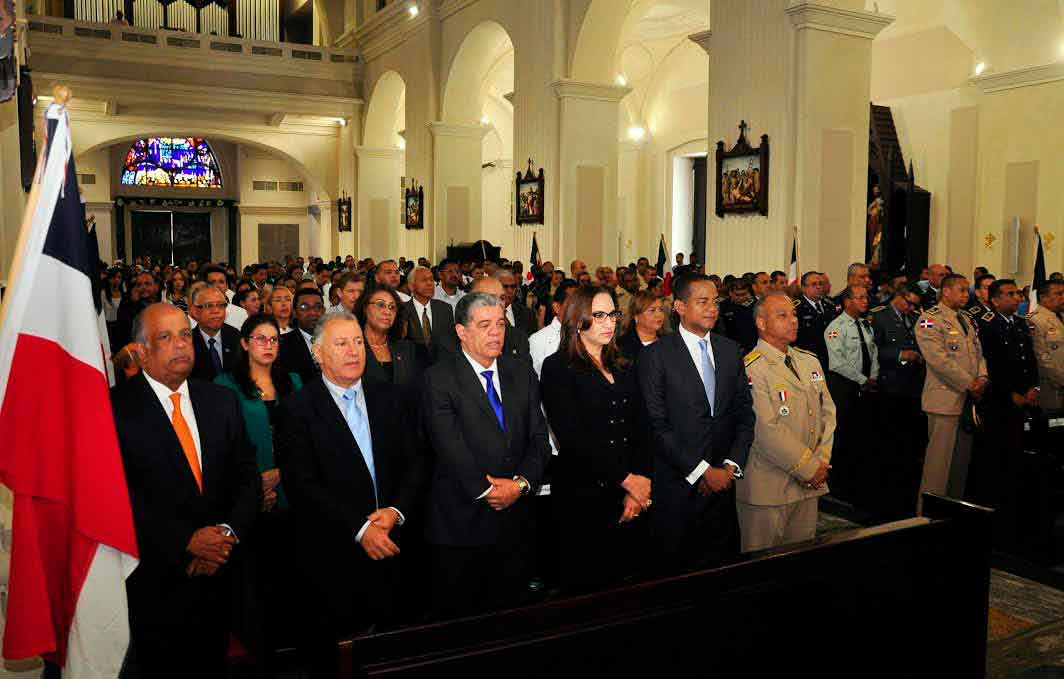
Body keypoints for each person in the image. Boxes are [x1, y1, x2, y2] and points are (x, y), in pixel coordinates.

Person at [112, 304, 259, 678]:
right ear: (141, 351)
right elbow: (118, 497)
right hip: (154, 583)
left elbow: (247, 478)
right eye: (166, 337)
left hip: (220, 577)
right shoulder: (114, 409)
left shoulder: (220, 401)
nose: (181, 345)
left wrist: (224, 536)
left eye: (184, 334)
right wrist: (185, 542)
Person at [277, 312, 423, 678]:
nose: (353, 351)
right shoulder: (297, 409)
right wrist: (361, 529)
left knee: (392, 653)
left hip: (394, 546)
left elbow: (416, 463)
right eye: (341, 344)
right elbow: (302, 485)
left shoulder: (389, 396)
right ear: (318, 353)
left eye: (358, 341)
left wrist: (395, 512)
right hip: (334, 558)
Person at [420, 292, 550, 619]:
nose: (496, 332)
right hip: (462, 525)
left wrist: (519, 485)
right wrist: (492, 491)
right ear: (461, 332)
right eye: (484, 325)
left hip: (516, 522)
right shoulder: (438, 379)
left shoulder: (521, 371)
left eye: (500, 324)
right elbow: (450, 448)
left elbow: (539, 440)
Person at [637, 273, 755, 571]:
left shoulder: (730, 350)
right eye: (702, 302)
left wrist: (729, 466)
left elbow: (744, 414)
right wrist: (702, 470)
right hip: (677, 487)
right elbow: (656, 424)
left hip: (723, 489)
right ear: (678, 306)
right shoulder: (656, 356)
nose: (712, 308)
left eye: (715, 301)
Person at [540, 287, 652, 591]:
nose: (609, 322)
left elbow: (642, 427)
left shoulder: (623, 364)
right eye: (599, 315)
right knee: (587, 584)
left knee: (628, 582)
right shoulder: (557, 367)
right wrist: (627, 479)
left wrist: (638, 483)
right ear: (578, 321)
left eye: (612, 314)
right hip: (583, 495)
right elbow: (573, 437)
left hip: (629, 493)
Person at [737, 292, 835, 552]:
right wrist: (809, 469)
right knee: (760, 567)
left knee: (800, 563)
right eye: (782, 316)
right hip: (768, 487)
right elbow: (765, 430)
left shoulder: (808, 361)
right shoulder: (752, 368)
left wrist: (821, 463)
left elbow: (828, 413)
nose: (793, 321)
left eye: (793, 314)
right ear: (761, 323)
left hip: (809, 485)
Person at [914, 273, 987, 514]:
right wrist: (970, 382)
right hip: (944, 399)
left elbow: (978, 353)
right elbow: (938, 360)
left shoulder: (966, 318)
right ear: (946, 292)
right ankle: (926, 516)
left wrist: (983, 378)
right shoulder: (929, 319)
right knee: (938, 466)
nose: (967, 295)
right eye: (962, 290)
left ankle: (951, 515)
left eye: (968, 290)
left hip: (967, 400)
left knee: (959, 466)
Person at [971, 279, 1038, 543]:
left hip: (1024, 399)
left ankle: (1012, 511)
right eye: (1010, 294)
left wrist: (1034, 388)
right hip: (999, 401)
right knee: (995, 457)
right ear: (995, 300)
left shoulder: (1021, 324)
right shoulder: (988, 326)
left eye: (1017, 294)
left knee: (1016, 455)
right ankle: (993, 513)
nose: (1016, 298)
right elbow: (992, 365)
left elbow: (1028, 359)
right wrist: (1010, 394)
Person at [869, 284, 927, 518]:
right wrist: (899, 355)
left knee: (909, 438)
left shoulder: (914, 317)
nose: (911, 308)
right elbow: (872, 349)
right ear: (898, 296)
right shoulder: (879, 316)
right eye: (908, 302)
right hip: (890, 383)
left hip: (913, 385)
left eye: (915, 304)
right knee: (890, 436)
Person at [822, 285, 879, 503]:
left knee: (861, 435)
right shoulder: (836, 327)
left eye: (866, 297)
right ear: (847, 301)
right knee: (842, 436)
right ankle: (838, 485)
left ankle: (857, 481)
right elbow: (837, 363)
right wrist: (863, 380)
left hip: (865, 388)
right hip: (845, 387)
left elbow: (872, 353)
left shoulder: (866, 325)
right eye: (860, 298)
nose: (865, 301)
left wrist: (873, 377)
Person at [354, 286, 423, 389]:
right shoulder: (352, 348)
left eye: (392, 307)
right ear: (365, 308)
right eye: (381, 305)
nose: (387, 312)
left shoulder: (407, 349)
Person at [403, 265, 459, 363]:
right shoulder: (402, 310)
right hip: (412, 368)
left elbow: (451, 341)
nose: (430, 284)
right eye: (424, 280)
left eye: (431, 279)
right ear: (411, 286)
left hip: (441, 368)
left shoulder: (444, 308)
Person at [471, 275, 531, 364]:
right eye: (490, 298)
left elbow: (527, 375)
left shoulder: (518, 338)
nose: (499, 304)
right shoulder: (460, 337)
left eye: (502, 298)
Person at [189, 286, 241, 382]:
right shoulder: (187, 342)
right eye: (209, 306)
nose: (216, 311)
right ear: (195, 311)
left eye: (221, 305)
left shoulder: (235, 336)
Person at [1028, 280, 1064, 413]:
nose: (1063, 297)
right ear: (1043, 297)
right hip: (1051, 388)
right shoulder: (1035, 320)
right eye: (1059, 294)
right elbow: (1042, 358)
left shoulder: (1060, 317)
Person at [279, 288, 325, 383]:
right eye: (304, 307)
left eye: (317, 307)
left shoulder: (337, 339)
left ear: (324, 311)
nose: (312, 313)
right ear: (295, 312)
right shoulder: (283, 344)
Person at [795, 271, 836, 370]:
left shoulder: (830, 305)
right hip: (808, 359)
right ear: (803, 288)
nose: (818, 287)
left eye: (820, 284)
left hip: (830, 358)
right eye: (814, 284)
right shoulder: (796, 308)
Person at [617, 289, 665, 362]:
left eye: (661, 310)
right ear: (636, 315)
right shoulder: (621, 347)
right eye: (652, 310)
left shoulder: (669, 342)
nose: (659, 315)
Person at [203, 265, 247, 330]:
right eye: (212, 282)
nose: (217, 286)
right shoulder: (198, 313)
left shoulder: (241, 313)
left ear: (226, 286)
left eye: (221, 282)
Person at [497, 269, 537, 336]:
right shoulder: (485, 314)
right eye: (505, 287)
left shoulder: (528, 314)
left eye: (513, 287)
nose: (510, 291)